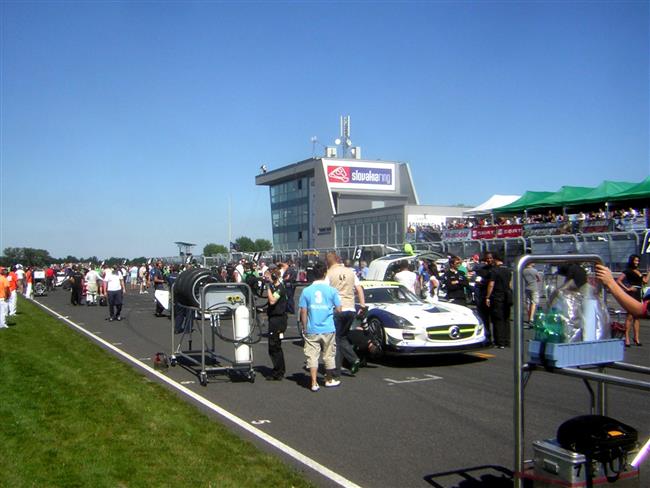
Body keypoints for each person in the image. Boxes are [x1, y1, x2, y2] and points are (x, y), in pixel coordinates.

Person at [299, 260, 342, 392]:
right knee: (329, 354)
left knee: (312, 355)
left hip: (312, 328)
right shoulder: (332, 291)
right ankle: (329, 379)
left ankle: (313, 382)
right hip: (328, 327)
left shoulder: (306, 291)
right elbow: (339, 309)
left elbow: (303, 312)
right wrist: (330, 312)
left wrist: (304, 327)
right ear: (325, 273)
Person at [326, 252, 366, 377]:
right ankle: (353, 359)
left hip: (337, 309)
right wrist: (362, 305)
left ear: (328, 262)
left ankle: (336, 370)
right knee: (342, 337)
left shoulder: (329, 274)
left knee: (335, 340)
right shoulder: (350, 272)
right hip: (350, 308)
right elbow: (359, 288)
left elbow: (326, 292)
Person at [615, 254, 647, 346]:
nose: (637, 262)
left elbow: (644, 281)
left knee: (637, 317)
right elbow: (619, 280)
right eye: (635, 261)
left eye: (638, 261)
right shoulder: (628, 271)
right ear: (632, 261)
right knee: (630, 316)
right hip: (632, 294)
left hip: (639, 293)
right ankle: (627, 338)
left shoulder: (638, 271)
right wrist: (627, 288)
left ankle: (636, 338)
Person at [264, 266, 288, 380]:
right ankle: (277, 369)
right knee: (272, 346)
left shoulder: (280, 288)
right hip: (273, 318)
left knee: (275, 346)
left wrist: (268, 287)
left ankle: (279, 371)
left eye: (268, 276)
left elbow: (272, 300)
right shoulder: (275, 287)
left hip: (278, 320)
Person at [485, 253, 512, 348]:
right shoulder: (508, 270)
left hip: (497, 296)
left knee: (497, 319)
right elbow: (510, 284)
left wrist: (487, 296)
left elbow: (491, 284)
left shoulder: (494, 271)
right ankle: (507, 340)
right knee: (506, 318)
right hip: (507, 296)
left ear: (496, 260)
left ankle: (499, 341)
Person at [474, 252, 494, 344]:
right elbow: (478, 284)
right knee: (484, 318)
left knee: (496, 319)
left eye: (490, 258)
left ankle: (500, 339)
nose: (488, 260)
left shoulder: (495, 269)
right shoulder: (482, 270)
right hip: (483, 296)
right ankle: (487, 336)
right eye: (487, 259)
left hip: (494, 296)